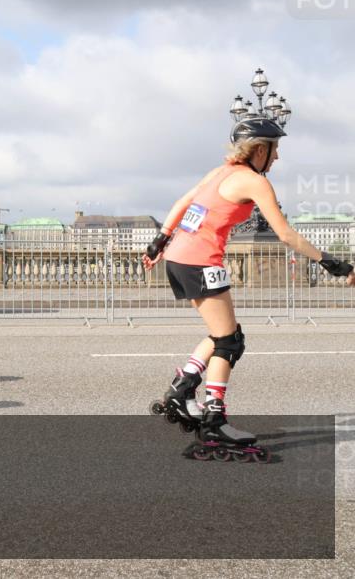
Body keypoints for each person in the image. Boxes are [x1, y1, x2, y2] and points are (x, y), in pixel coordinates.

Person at [144, 117, 354, 459]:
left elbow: (183, 201)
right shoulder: (253, 181)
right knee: (230, 341)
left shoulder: (221, 171)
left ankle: (182, 389)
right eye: (275, 149)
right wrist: (330, 261)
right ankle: (214, 419)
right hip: (201, 261)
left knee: (221, 334)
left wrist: (158, 242)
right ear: (259, 149)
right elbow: (285, 234)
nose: (277, 158)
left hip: (180, 257)